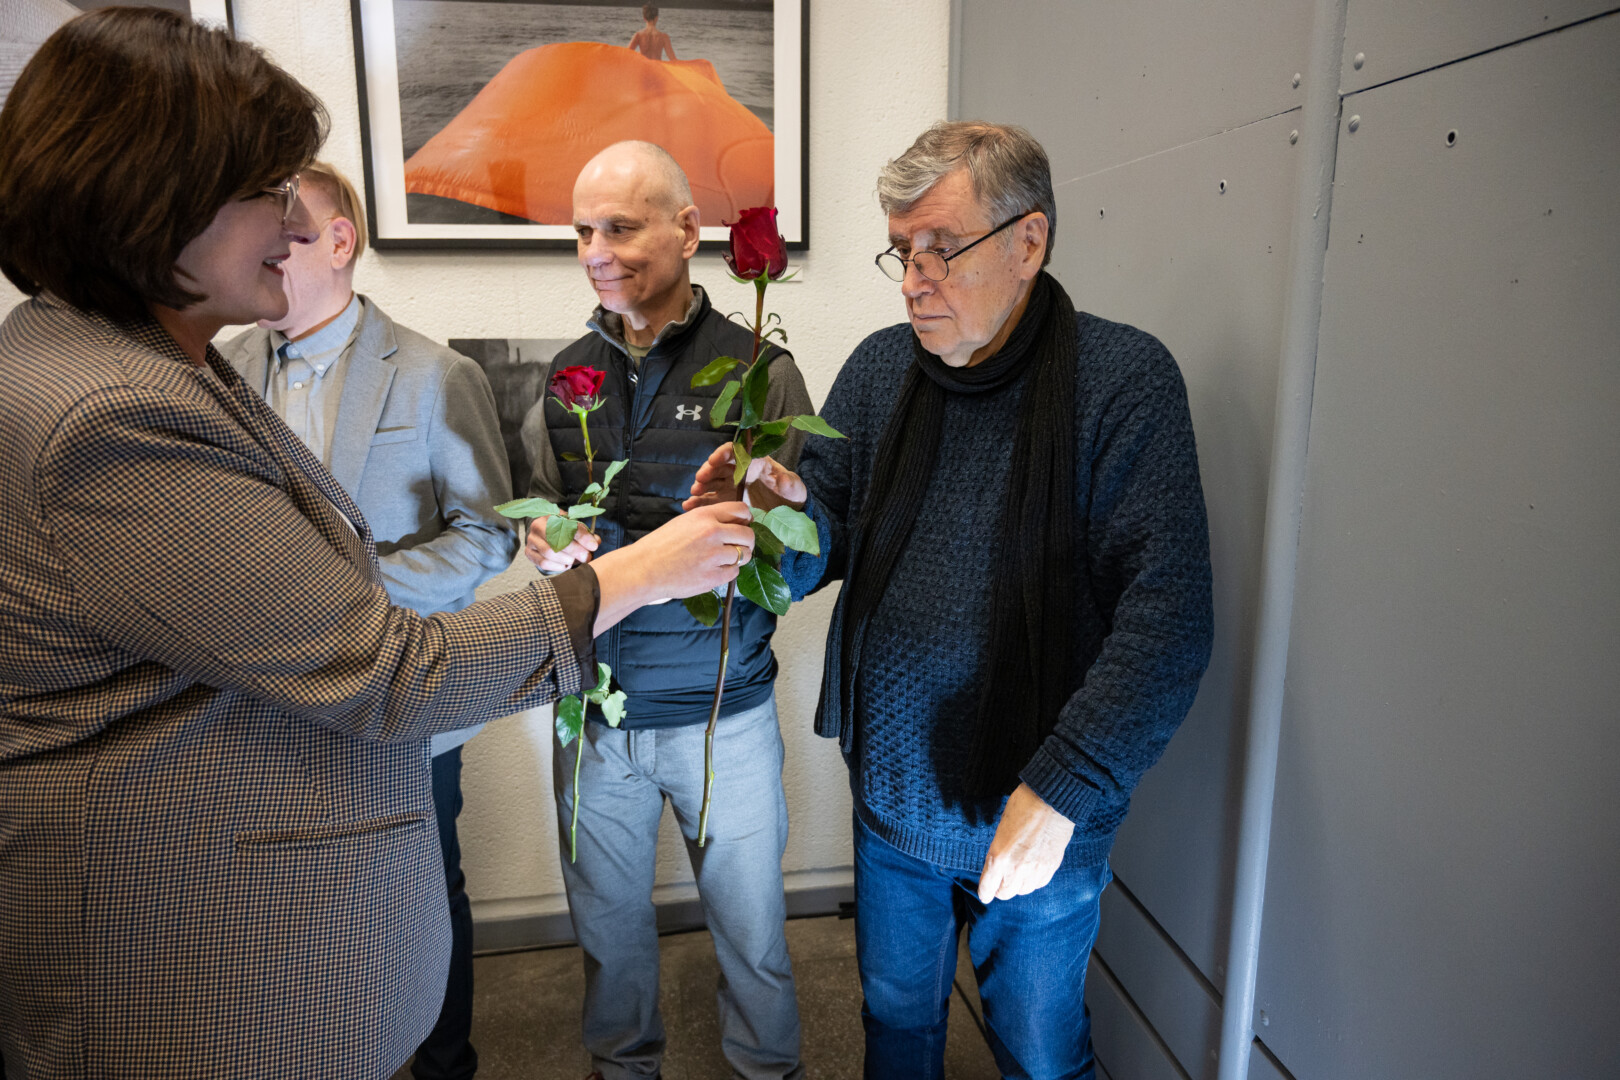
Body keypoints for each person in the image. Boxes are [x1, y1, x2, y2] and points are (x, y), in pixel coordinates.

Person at [0, 11, 755, 1078]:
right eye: (266, 190)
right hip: (196, 981)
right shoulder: (115, 414)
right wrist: (634, 570)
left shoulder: (140, 366)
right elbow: (381, 668)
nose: (289, 225)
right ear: (157, 197)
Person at [689, 121, 1215, 1080]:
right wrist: (773, 525)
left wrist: (1062, 791)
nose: (913, 280)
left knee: (1039, 1051)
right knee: (895, 1027)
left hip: (1041, 806)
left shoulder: (1122, 383)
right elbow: (828, 542)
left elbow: (1169, 619)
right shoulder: (881, 369)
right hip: (892, 797)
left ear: (1029, 241)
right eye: (903, 250)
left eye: (942, 248)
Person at [518, 140, 811, 1080]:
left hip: (723, 718)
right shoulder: (564, 376)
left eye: (620, 227)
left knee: (754, 942)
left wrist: (760, 513)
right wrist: (543, 541)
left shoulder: (760, 370)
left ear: (688, 231)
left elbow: (800, 553)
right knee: (608, 944)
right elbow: (543, 519)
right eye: (582, 231)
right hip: (594, 718)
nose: (596, 252)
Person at [221, 161, 504, 1080]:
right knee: (289, 901)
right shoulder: (216, 370)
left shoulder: (436, 374)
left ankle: (445, 1065)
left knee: (425, 892)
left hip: (403, 694)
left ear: (340, 241)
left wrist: (346, 592)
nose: (264, 243)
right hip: (259, 701)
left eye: (287, 228)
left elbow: (488, 537)